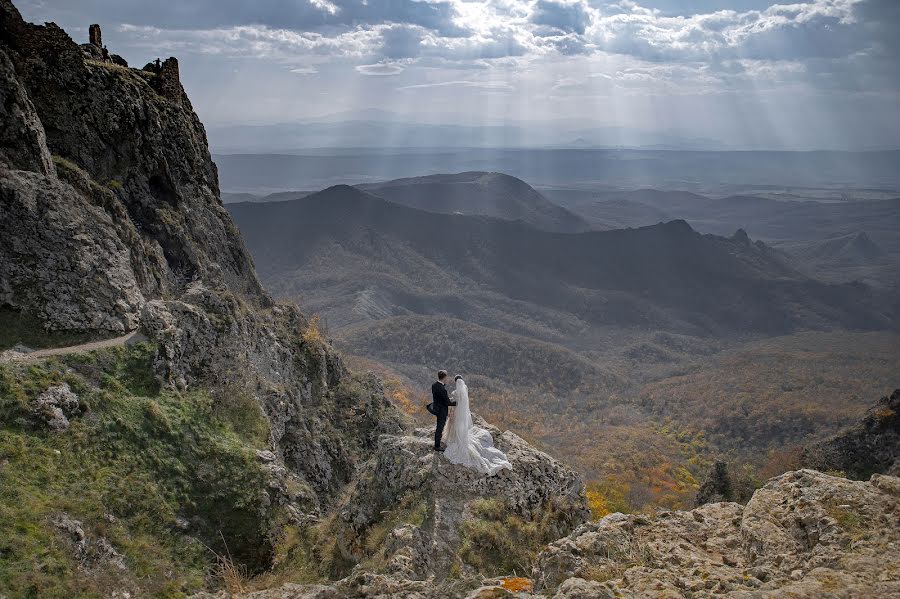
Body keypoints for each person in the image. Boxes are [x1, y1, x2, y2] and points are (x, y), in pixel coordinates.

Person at [443, 375, 512, 475]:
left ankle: (454, 438)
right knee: (460, 431)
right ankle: (456, 437)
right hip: (461, 417)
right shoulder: (464, 391)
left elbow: (454, 402)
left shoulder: (457, 393)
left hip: (456, 415)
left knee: (455, 429)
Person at [431, 370, 455, 451]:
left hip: (436, 409)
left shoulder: (434, 385)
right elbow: (447, 403)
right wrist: (457, 403)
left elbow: (438, 398)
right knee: (440, 428)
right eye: (446, 377)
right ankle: (437, 446)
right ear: (444, 377)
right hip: (442, 411)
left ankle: (437, 443)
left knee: (438, 426)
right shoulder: (443, 389)